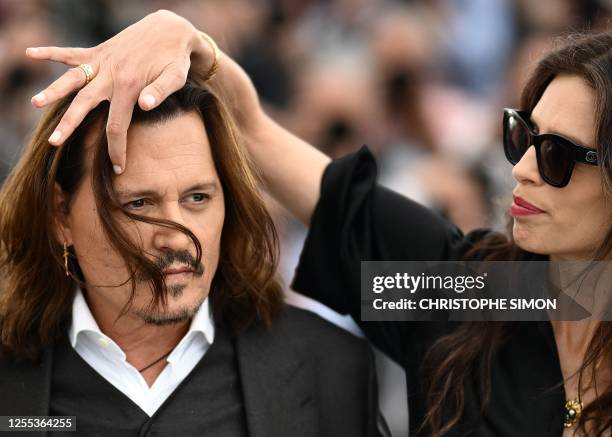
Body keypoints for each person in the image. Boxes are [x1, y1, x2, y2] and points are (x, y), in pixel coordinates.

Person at [24, 10, 611, 436]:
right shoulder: (479, 296)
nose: (524, 169)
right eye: (521, 136)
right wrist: (189, 40)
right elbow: (261, 138)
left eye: (558, 154)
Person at [0, 74, 382, 436]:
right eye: (138, 204)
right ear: (61, 216)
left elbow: (437, 288)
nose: (178, 238)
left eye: (197, 198)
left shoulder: (330, 365)